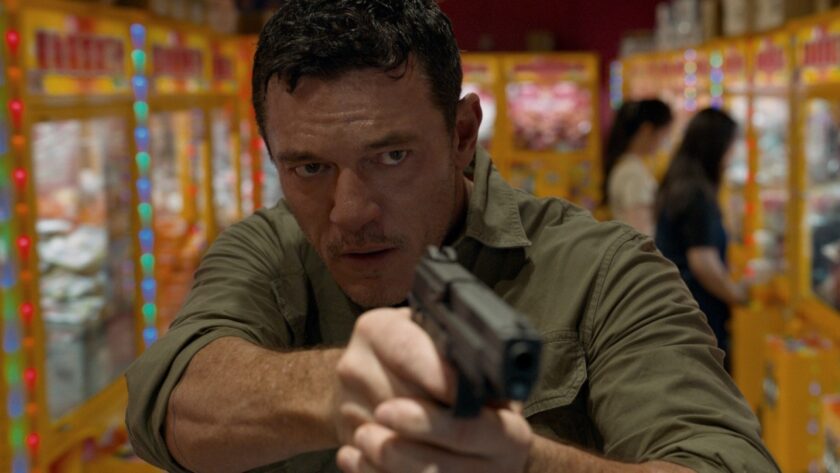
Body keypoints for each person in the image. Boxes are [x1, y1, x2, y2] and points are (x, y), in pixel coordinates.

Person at [125, 2, 778, 472]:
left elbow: (724, 460)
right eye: (310, 168)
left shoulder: (605, 270)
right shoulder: (266, 250)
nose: (350, 212)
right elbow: (168, 399)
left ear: (464, 134)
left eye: (392, 157)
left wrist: (525, 461)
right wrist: (339, 387)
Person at [655, 108, 749, 369]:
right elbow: (703, 263)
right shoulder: (697, 195)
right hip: (698, 315)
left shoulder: (679, 182)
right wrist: (737, 295)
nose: (731, 156)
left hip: (678, 312)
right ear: (716, 147)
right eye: (730, 147)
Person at [603, 99, 673, 235]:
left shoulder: (626, 166)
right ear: (647, 130)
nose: (665, 141)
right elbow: (642, 232)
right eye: (664, 133)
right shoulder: (633, 173)